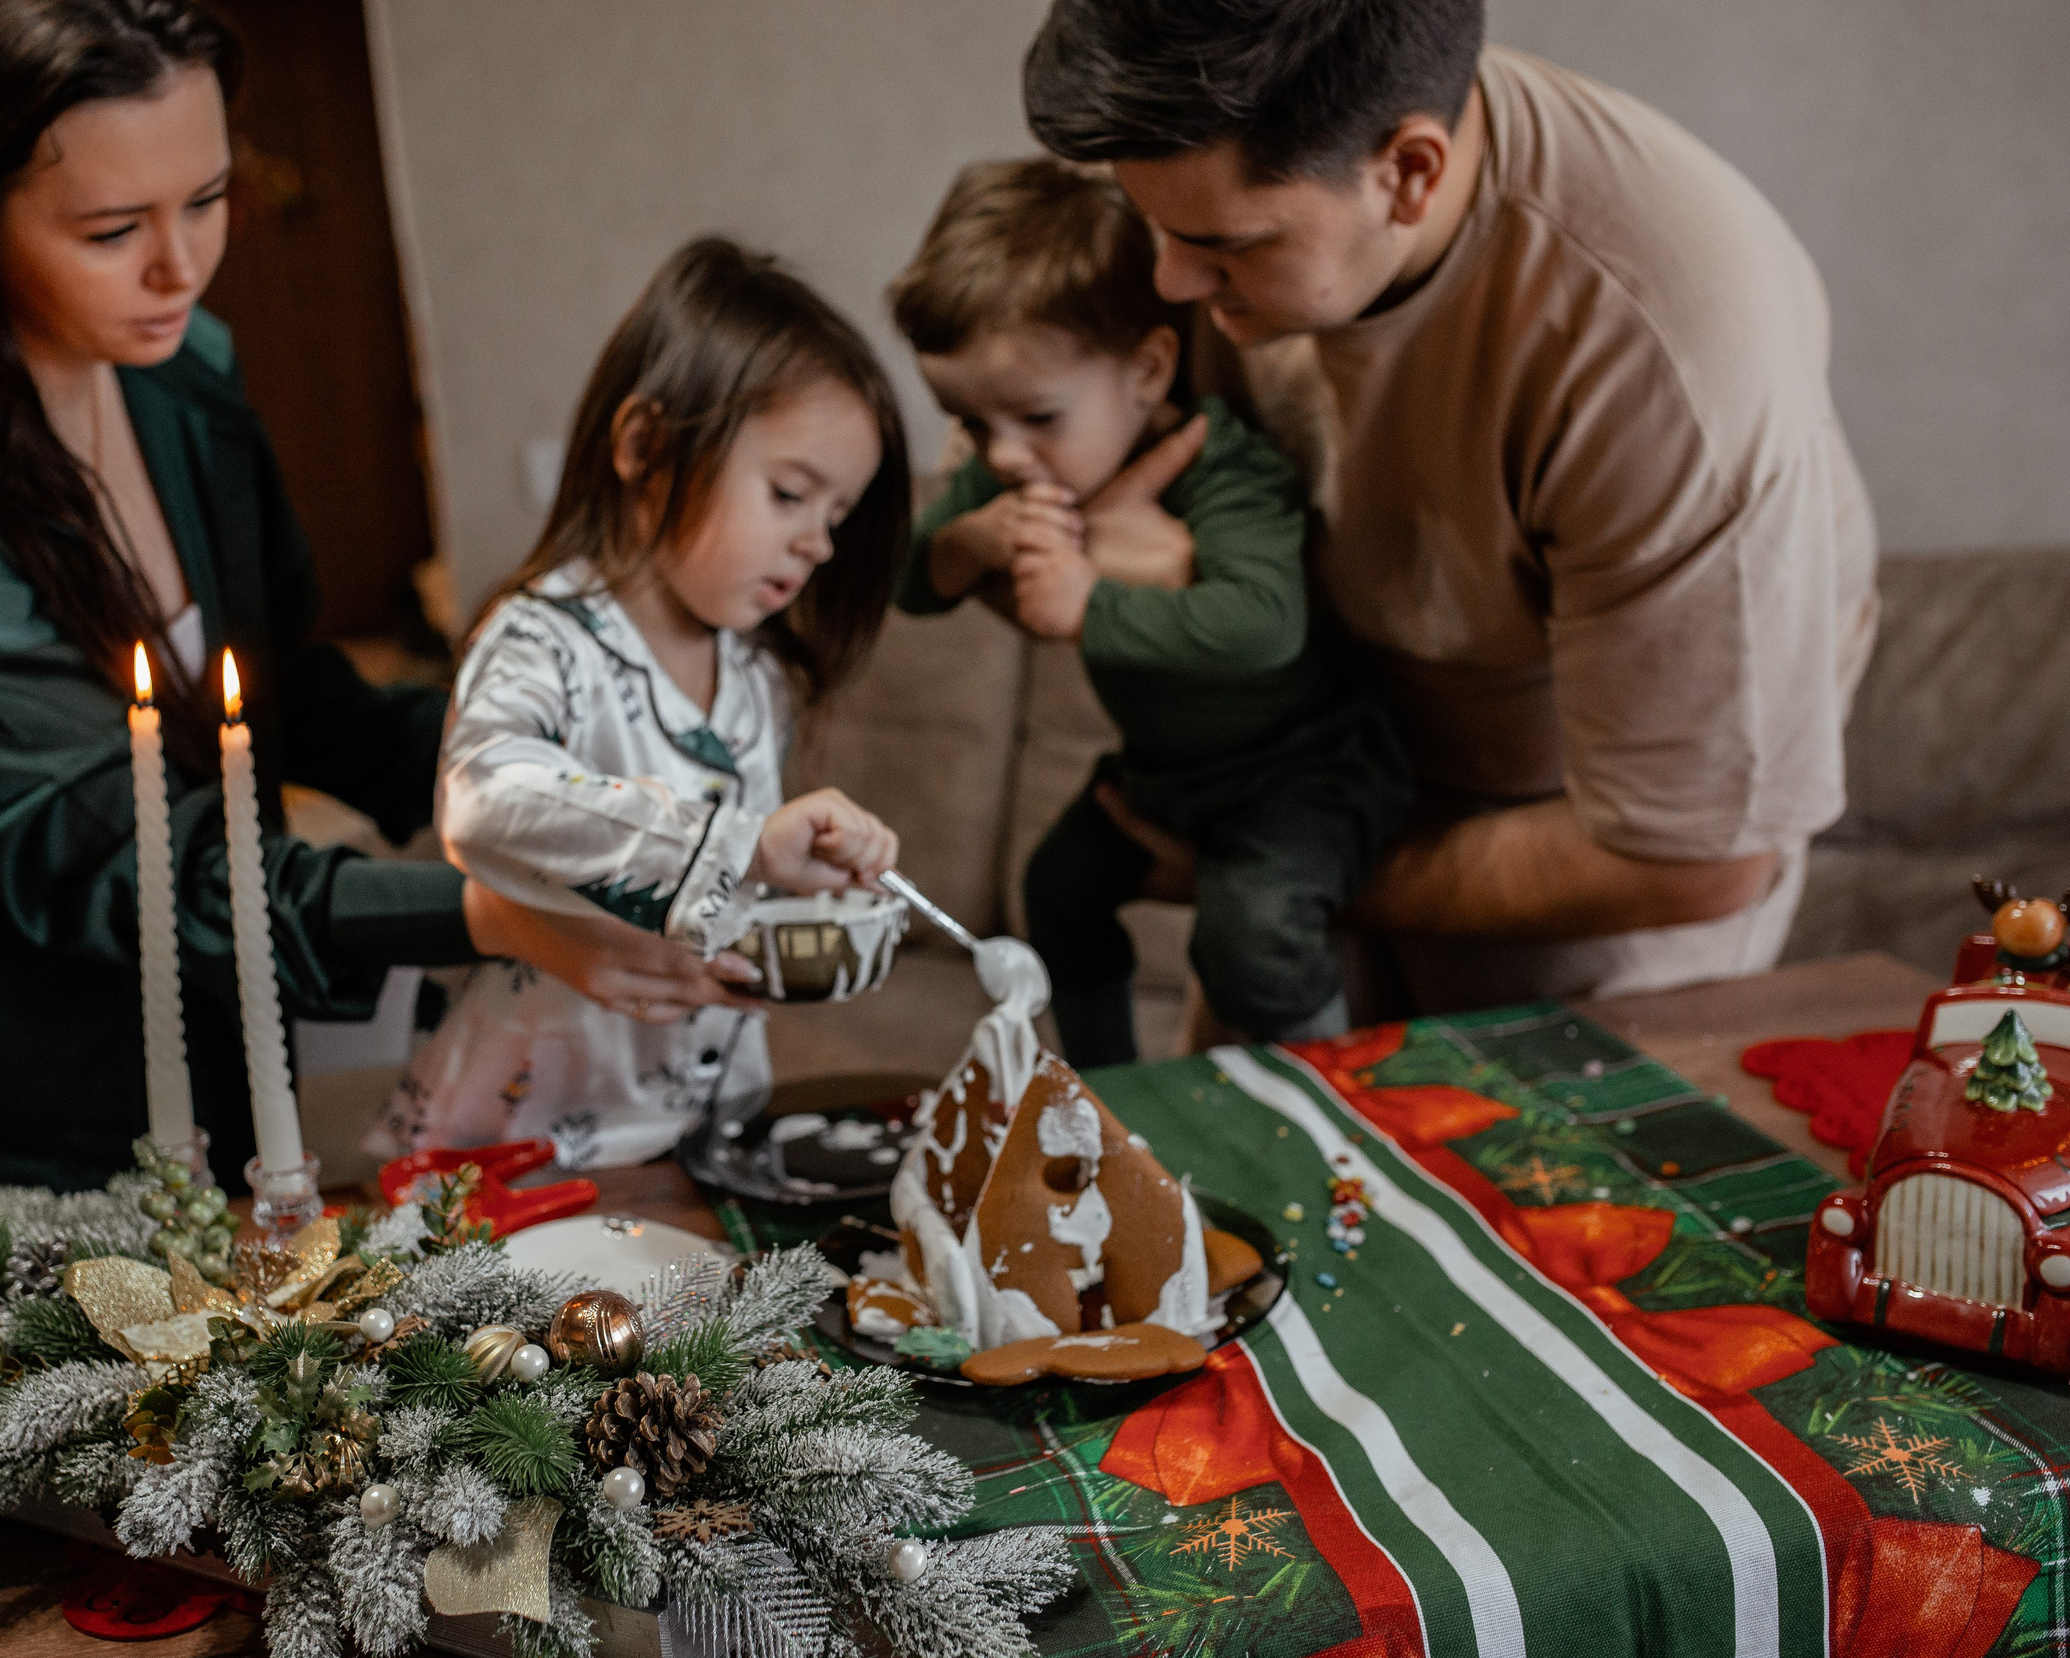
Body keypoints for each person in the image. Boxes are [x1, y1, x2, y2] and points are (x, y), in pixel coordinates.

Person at [0, 0, 743, 1236]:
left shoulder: (180, 369)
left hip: (196, 1044)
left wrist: (563, 774)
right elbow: (126, 858)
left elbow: (283, 687)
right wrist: (482, 914)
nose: (181, 266)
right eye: (112, 229)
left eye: (206, 200)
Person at [1023, 0, 1878, 1012]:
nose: (1166, 278)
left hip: (1583, 857)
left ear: (1409, 172)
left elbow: (1691, 860)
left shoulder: (1668, 349)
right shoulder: (1200, 138)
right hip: (1302, 797)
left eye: (1224, 245)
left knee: (1522, 1166)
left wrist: (1261, 875)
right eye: (1153, 226)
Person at [373, 238, 909, 1168]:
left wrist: (803, 867)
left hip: (701, 1126)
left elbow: (726, 892)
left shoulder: (758, 673)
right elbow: (484, 796)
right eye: (790, 494)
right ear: (645, 446)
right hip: (529, 1139)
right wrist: (739, 841)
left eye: (836, 516)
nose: (818, 543)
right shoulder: (542, 636)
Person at [887, 159, 1408, 1060]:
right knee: (1056, 886)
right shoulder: (1008, 475)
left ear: (1146, 367)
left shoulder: (1222, 468)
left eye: (1036, 418)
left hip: (1308, 769)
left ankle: (1327, 1095)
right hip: (1169, 770)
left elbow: (1264, 626)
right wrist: (968, 541)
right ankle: (1109, 1087)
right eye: (970, 424)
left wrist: (1090, 602)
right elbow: (906, 583)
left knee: (1249, 932)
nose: (1002, 456)